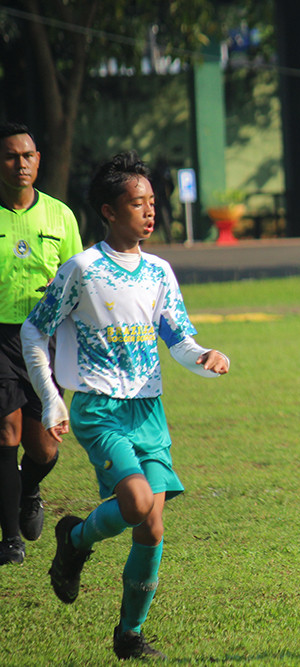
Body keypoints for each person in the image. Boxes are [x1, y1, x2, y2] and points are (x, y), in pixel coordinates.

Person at [20, 151, 230, 660]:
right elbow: (34, 330)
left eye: (152, 203)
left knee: (152, 526)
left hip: (148, 410)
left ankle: (129, 634)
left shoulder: (159, 271)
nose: (149, 212)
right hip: (100, 409)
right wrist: (52, 400)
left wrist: (204, 355)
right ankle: (75, 539)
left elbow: (176, 337)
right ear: (109, 211)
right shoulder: (83, 269)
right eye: (137, 204)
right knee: (136, 503)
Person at [0, 121, 82, 565]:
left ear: (38, 161)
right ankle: (10, 540)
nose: (20, 163)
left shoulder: (60, 215)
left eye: (27, 155)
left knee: (44, 446)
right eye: (11, 156)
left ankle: (27, 489)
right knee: (5, 433)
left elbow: (79, 276)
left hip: (46, 338)